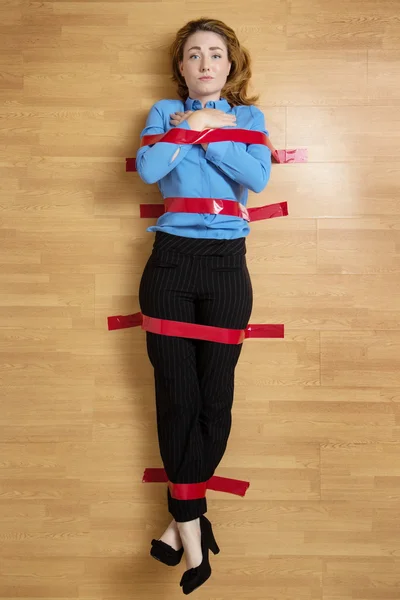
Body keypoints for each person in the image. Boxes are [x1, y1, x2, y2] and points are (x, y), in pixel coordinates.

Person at [136, 17, 271, 594]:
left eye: (216, 53)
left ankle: (180, 520)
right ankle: (191, 531)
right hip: (168, 264)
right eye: (194, 55)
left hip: (226, 268)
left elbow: (256, 177)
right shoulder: (163, 113)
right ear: (182, 67)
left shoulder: (250, 119)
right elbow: (149, 169)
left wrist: (207, 129)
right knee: (176, 398)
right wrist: (191, 125)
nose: (206, 63)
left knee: (215, 398)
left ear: (230, 63)